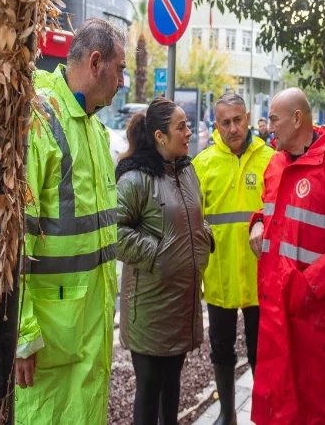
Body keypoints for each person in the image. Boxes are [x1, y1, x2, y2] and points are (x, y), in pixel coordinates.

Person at [15, 18, 125, 423]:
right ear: (96, 62)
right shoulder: (43, 117)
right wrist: (24, 336)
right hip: (52, 334)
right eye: (121, 69)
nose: (123, 81)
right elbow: (14, 235)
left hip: (83, 324)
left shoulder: (94, 127)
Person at [248, 88, 325, 425]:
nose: (268, 127)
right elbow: (273, 212)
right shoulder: (275, 164)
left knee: (317, 398)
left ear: (296, 118)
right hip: (276, 306)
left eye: (274, 118)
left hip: (313, 311)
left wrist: (309, 285)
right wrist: (257, 224)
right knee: (277, 394)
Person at [116, 97, 214, 425]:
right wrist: (159, 254)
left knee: (173, 385)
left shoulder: (187, 171)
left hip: (182, 303)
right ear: (160, 136)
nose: (190, 132)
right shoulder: (135, 178)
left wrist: (205, 237)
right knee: (149, 388)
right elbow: (113, 231)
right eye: (181, 126)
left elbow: (194, 215)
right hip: (149, 308)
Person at [193, 93, 274, 425]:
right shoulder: (204, 164)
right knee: (222, 350)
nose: (233, 128)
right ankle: (228, 415)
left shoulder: (271, 159)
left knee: (261, 353)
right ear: (216, 125)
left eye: (238, 120)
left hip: (261, 277)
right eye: (225, 122)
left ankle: (262, 414)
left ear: (248, 117)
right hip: (220, 276)